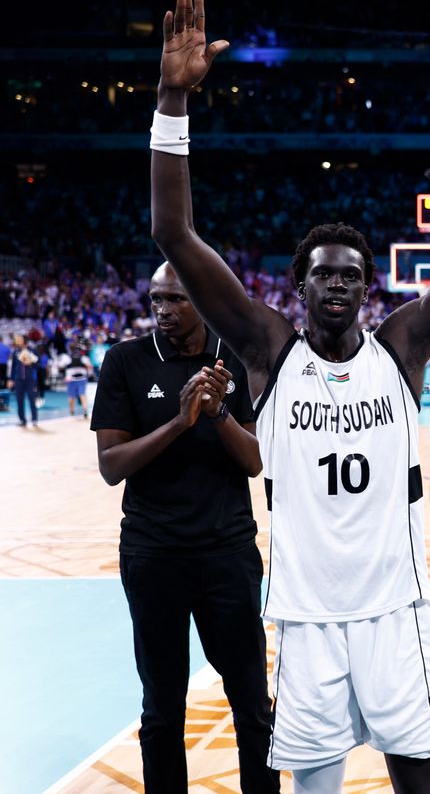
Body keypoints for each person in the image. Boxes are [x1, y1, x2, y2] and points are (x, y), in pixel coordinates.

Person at [147, 0, 430, 792]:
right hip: (307, 621)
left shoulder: (404, 343)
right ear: (301, 286)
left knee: (418, 779)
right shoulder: (267, 349)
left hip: (397, 616)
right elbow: (172, 232)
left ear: (368, 287)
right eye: (324, 275)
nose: (341, 286)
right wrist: (172, 98)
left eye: (353, 275)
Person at [91, 262, 277, 794]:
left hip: (227, 555)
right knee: (162, 707)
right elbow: (111, 466)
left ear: (201, 298)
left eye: (175, 300)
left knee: (251, 703)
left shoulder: (234, 358)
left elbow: (254, 462)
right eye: (155, 300)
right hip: (154, 556)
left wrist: (217, 413)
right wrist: (181, 419)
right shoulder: (125, 360)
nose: (162, 311)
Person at [8, 332, 39, 427]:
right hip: (18, 380)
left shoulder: (32, 350)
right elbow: (13, 367)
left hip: (30, 380)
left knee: (32, 399)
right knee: (19, 400)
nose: (17, 341)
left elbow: (37, 364)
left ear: (25, 341)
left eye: (20, 339)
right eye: (17, 340)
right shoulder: (15, 352)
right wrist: (11, 379)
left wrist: (31, 363)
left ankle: (34, 419)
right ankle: (22, 420)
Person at [64, 341, 92, 417]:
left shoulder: (67, 357)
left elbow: (62, 366)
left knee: (72, 396)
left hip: (73, 378)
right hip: (80, 378)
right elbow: (89, 366)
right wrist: (88, 374)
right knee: (81, 394)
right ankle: (84, 410)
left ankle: (72, 411)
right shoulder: (83, 357)